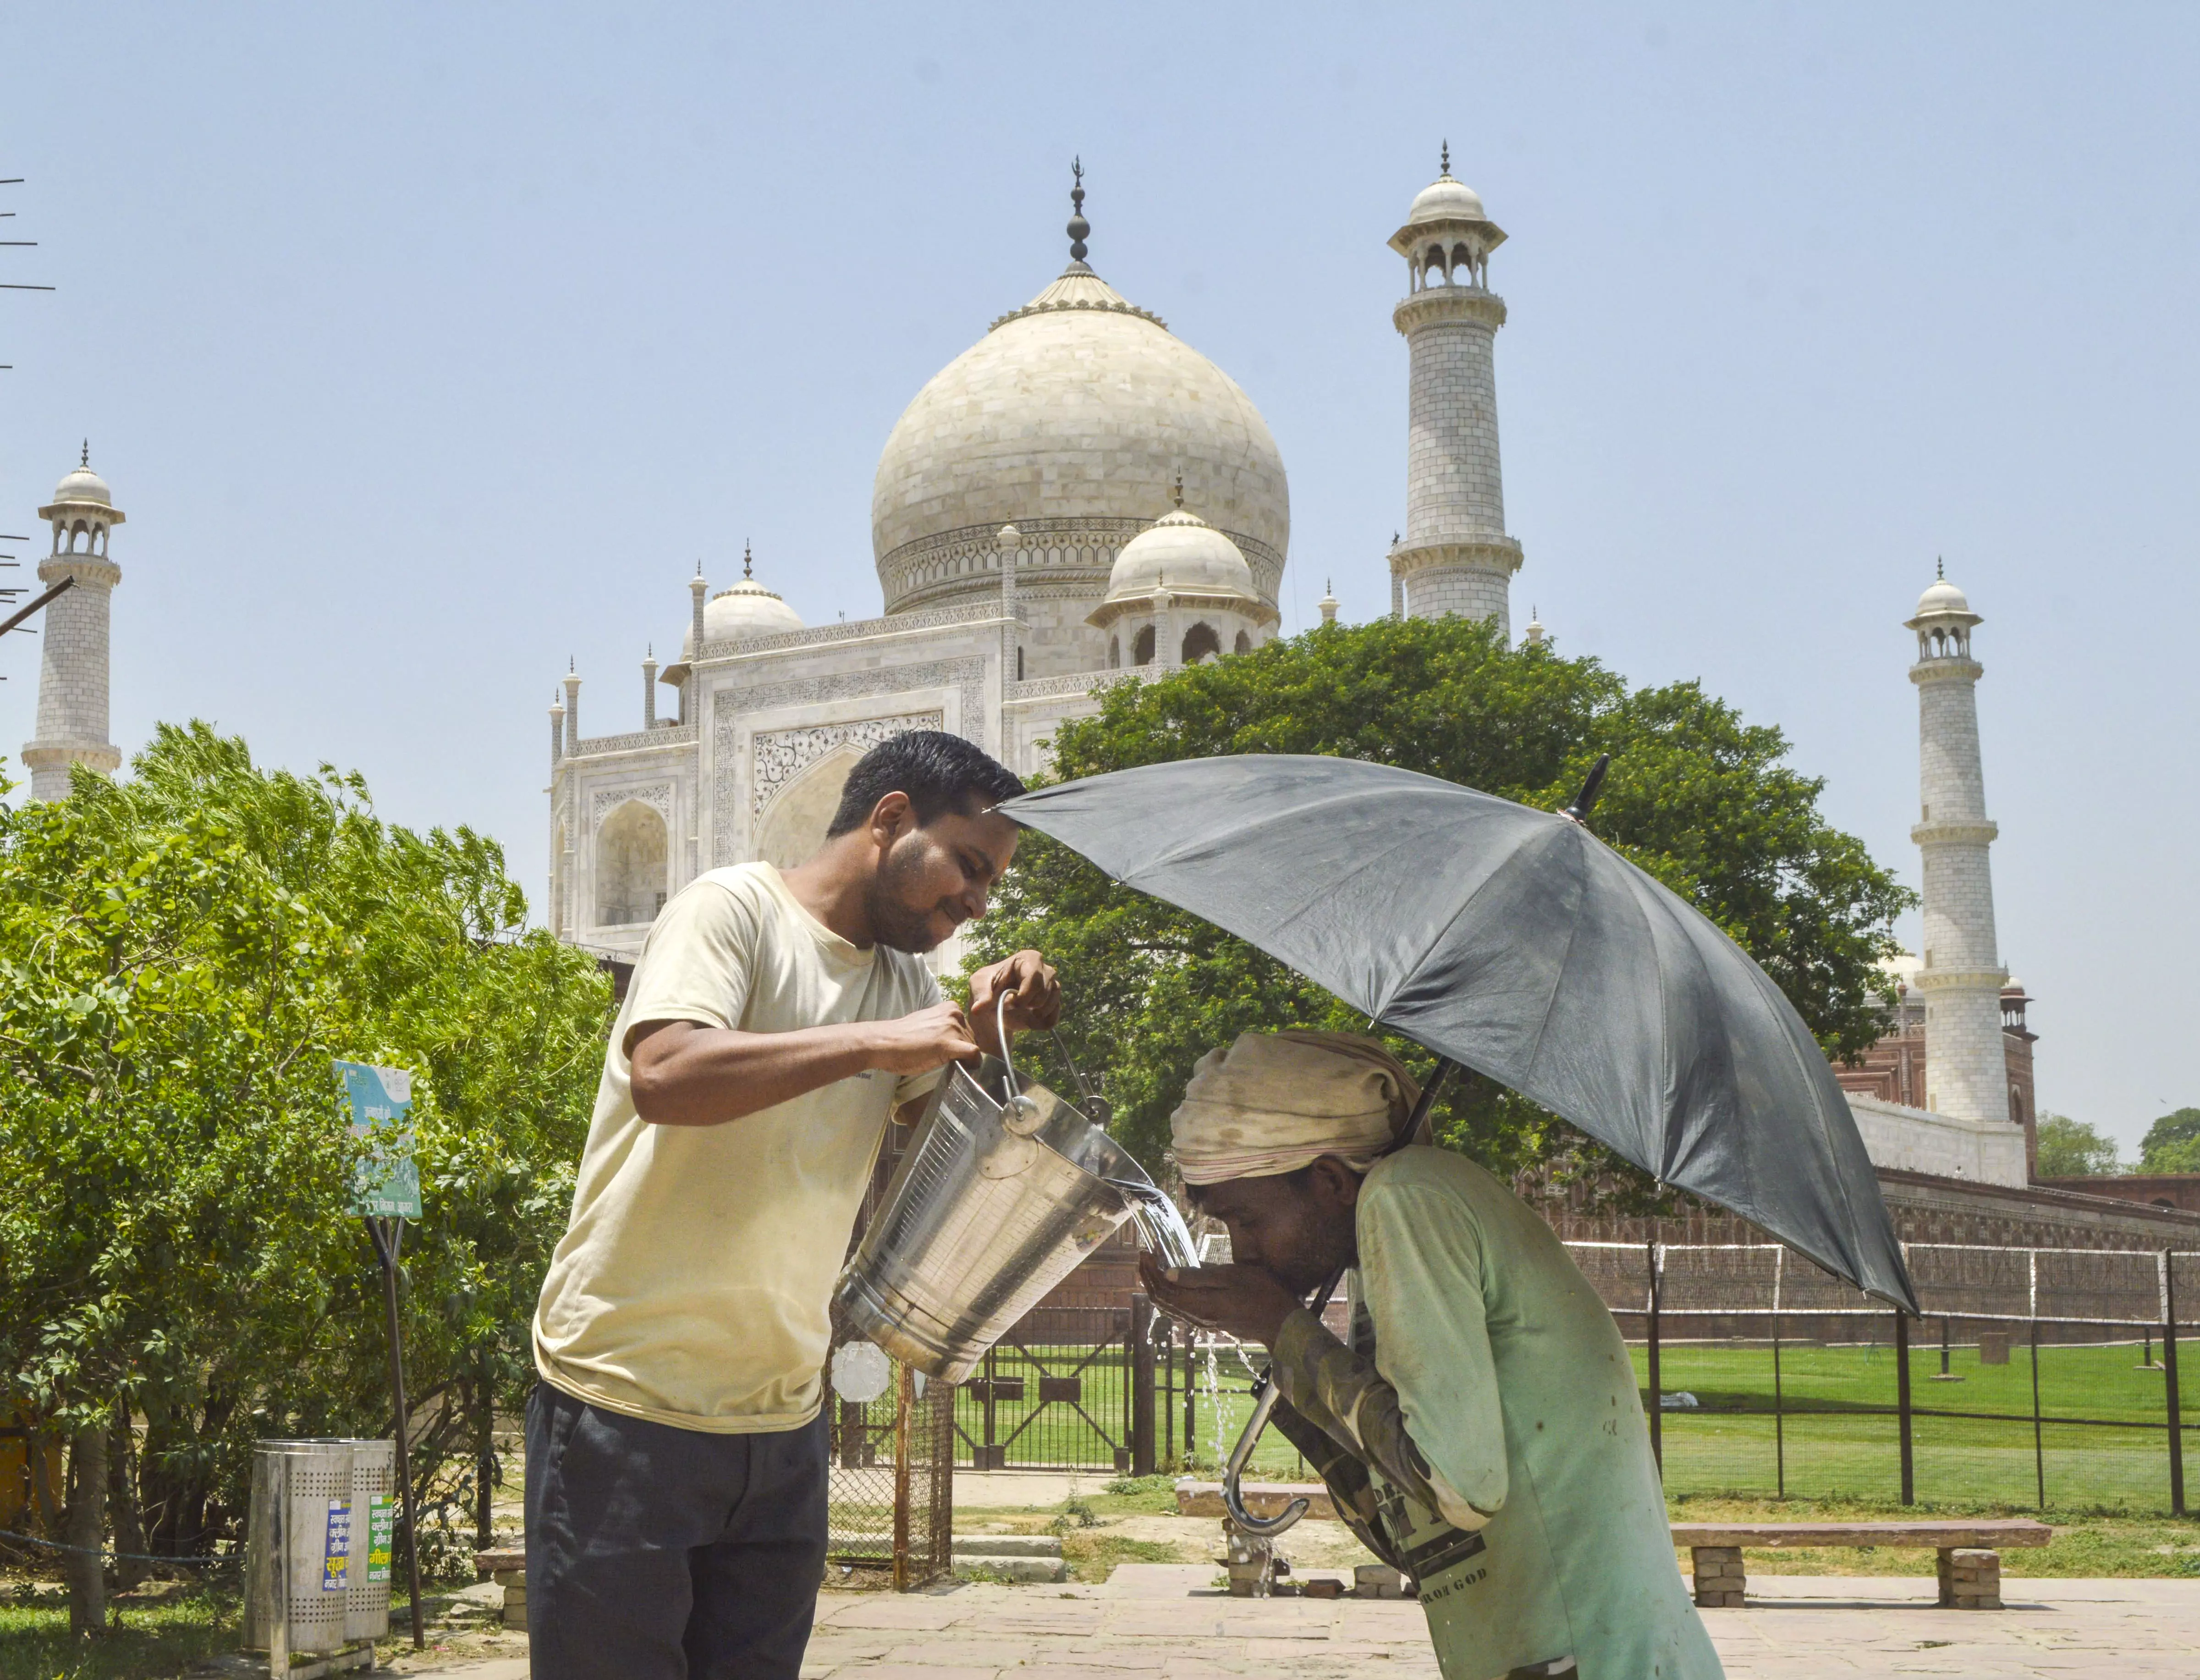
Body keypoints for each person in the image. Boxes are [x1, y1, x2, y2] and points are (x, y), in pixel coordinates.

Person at [527, 731, 1060, 1680]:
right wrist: (872, 1042)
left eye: (990, 886)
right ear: (891, 818)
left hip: (778, 1424)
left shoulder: (900, 980)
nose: (977, 902)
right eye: (969, 866)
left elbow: (943, 1154)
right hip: (627, 1401)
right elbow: (665, 1072)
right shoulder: (731, 910)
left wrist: (982, 1033)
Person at [1142, 1030, 1722, 1680]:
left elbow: (1460, 1489)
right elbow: (1416, 1543)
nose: (1242, 1251)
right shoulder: (1394, 1227)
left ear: (1330, 1180)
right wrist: (1282, 1345)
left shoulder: (1406, 1197)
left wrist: (1283, 1328)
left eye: (1246, 1221)